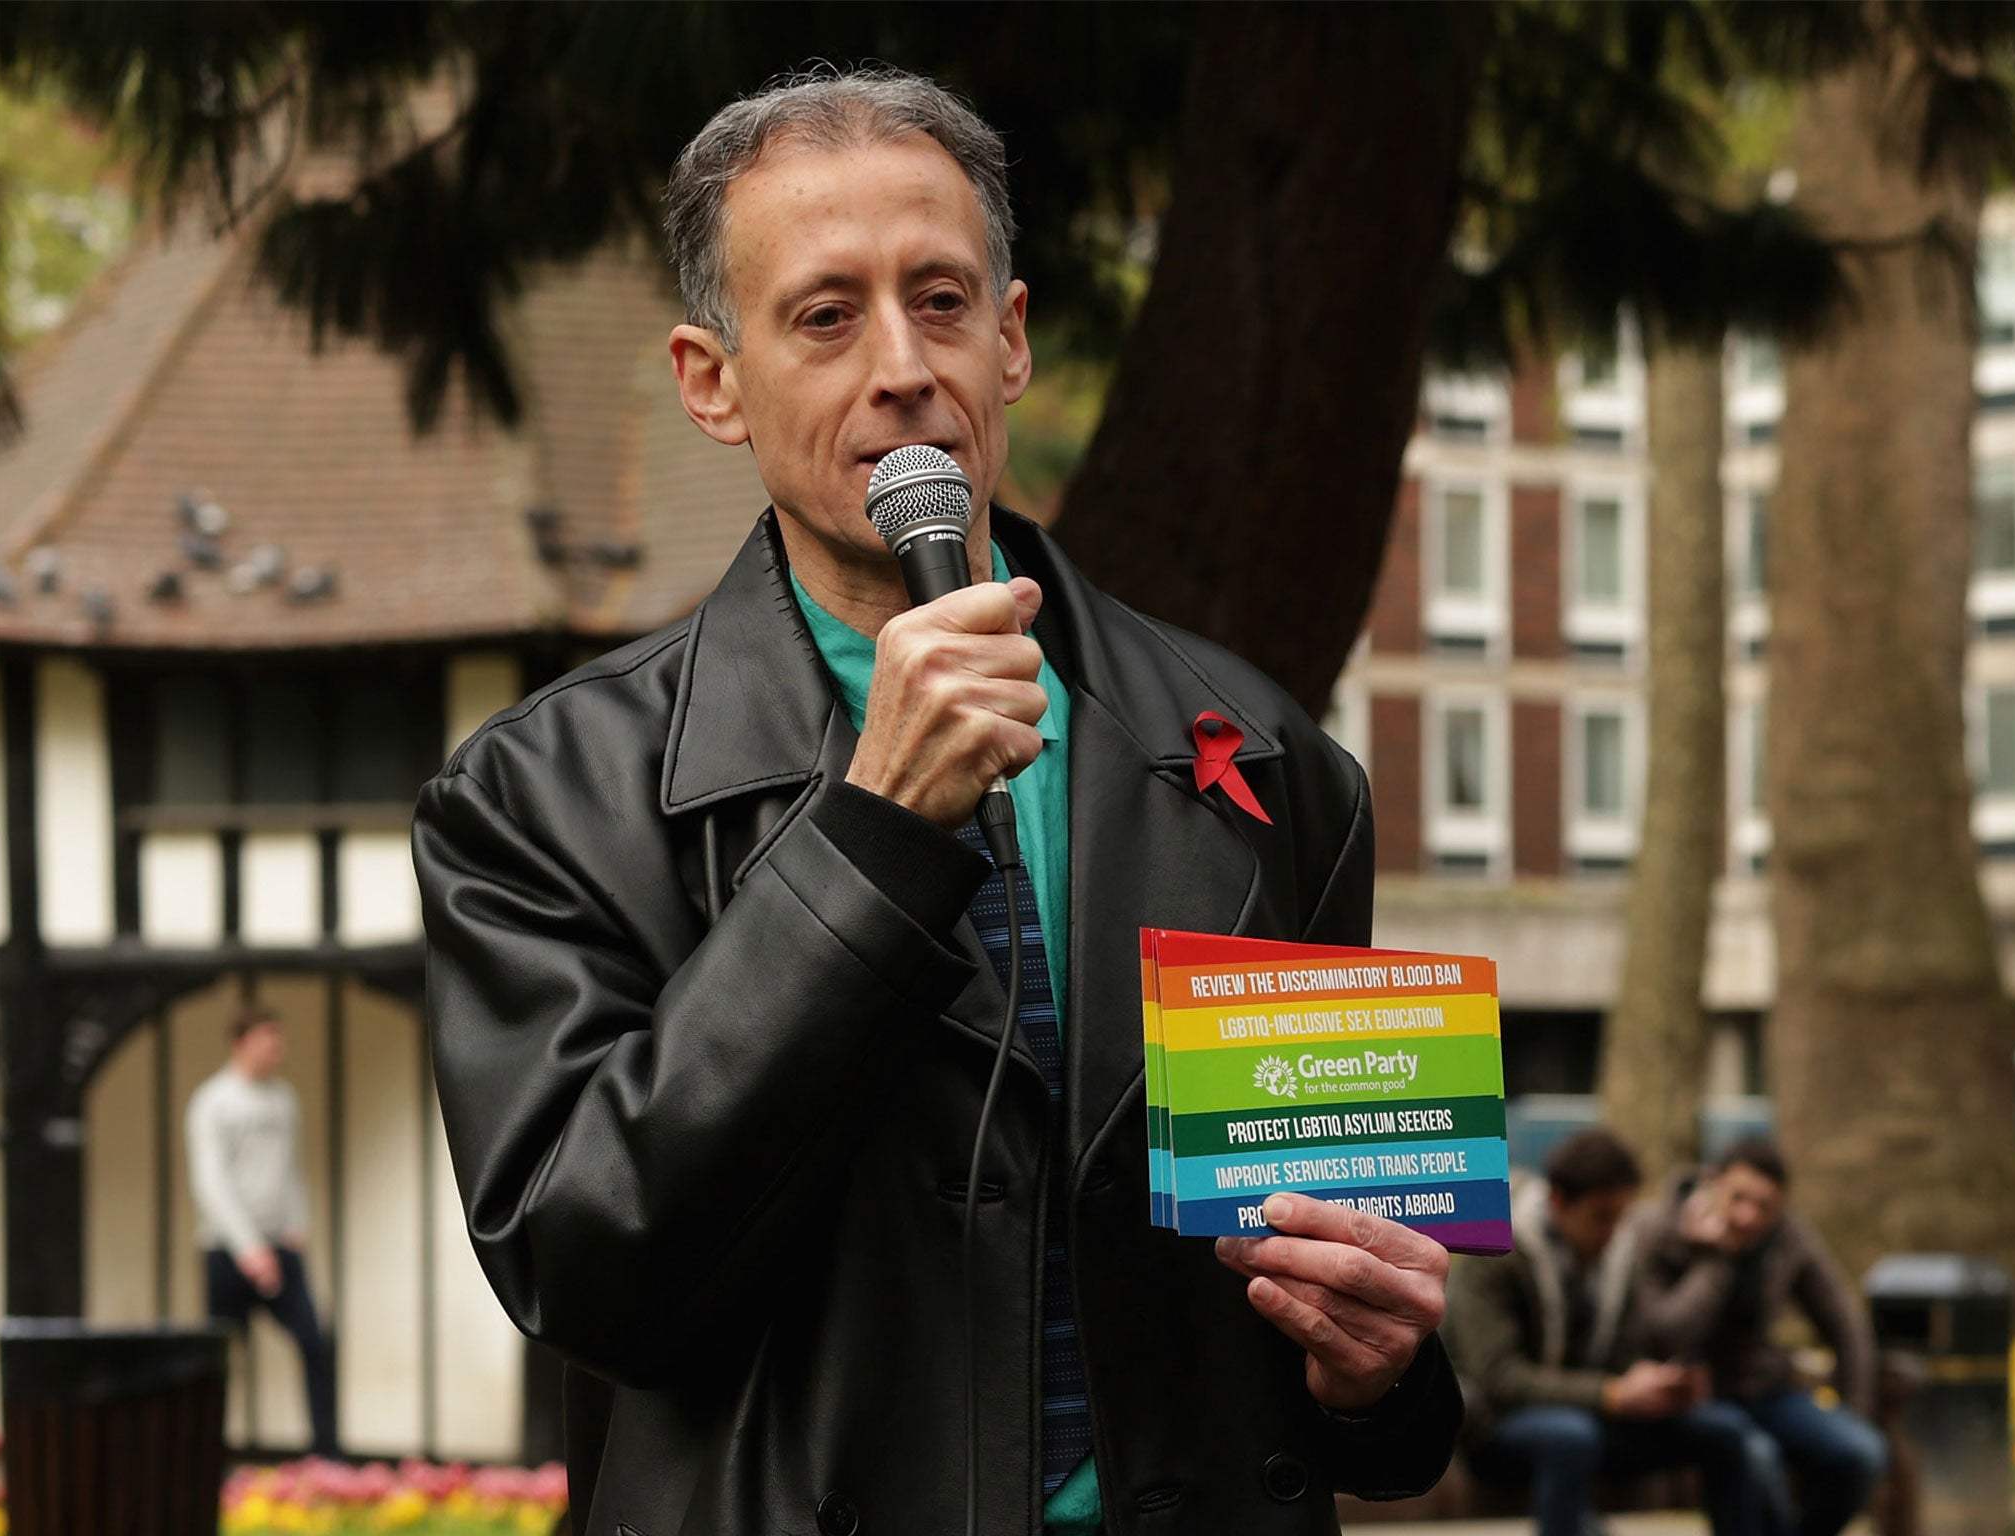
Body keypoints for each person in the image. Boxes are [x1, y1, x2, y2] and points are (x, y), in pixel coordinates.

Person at [413, 65, 1461, 1536]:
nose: (902, 365)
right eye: (827, 316)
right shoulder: (539, 799)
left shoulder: (1266, 765)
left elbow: (1344, 1315)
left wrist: (1381, 1369)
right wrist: (873, 834)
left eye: (945, 300)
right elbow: (594, 1277)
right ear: (713, 381)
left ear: (1013, 340)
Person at [1444, 1129, 1775, 1536]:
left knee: (1723, 1428)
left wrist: (1660, 1383)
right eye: (1602, 1216)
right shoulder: (1497, 1254)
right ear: (1559, 1202)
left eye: (1621, 1217)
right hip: (1497, 1427)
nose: (1613, 1232)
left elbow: (1625, 1354)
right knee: (1570, 1437)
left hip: (1594, 1417)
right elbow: (1498, 1377)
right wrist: (1612, 1394)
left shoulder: (1618, 1252)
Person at [1634, 1136, 1887, 1536]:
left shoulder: (1788, 1237)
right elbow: (1665, 1334)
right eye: (1738, 1198)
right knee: (1756, 1458)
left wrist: (1852, 1408)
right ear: (1714, 1183)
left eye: (1764, 1207)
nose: (1748, 1216)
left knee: (1861, 1451)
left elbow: (1845, 1325)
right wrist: (1717, 1261)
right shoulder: (1658, 1227)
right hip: (1689, 1396)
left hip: (1764, 1390)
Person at [185, 1005, 338, 1458]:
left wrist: (295, 1225)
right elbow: (210, 1181)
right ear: (241, 1043)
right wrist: (248, 1248)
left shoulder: (282, 1099)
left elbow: (289, 1171)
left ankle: (326, 1454)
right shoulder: (213, 1101)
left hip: (280, 1245)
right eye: (269, 1040)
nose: (278, 1049)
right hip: (227, 1251)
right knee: (219, 1358)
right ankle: (207, 1455)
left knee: (316, 1343)